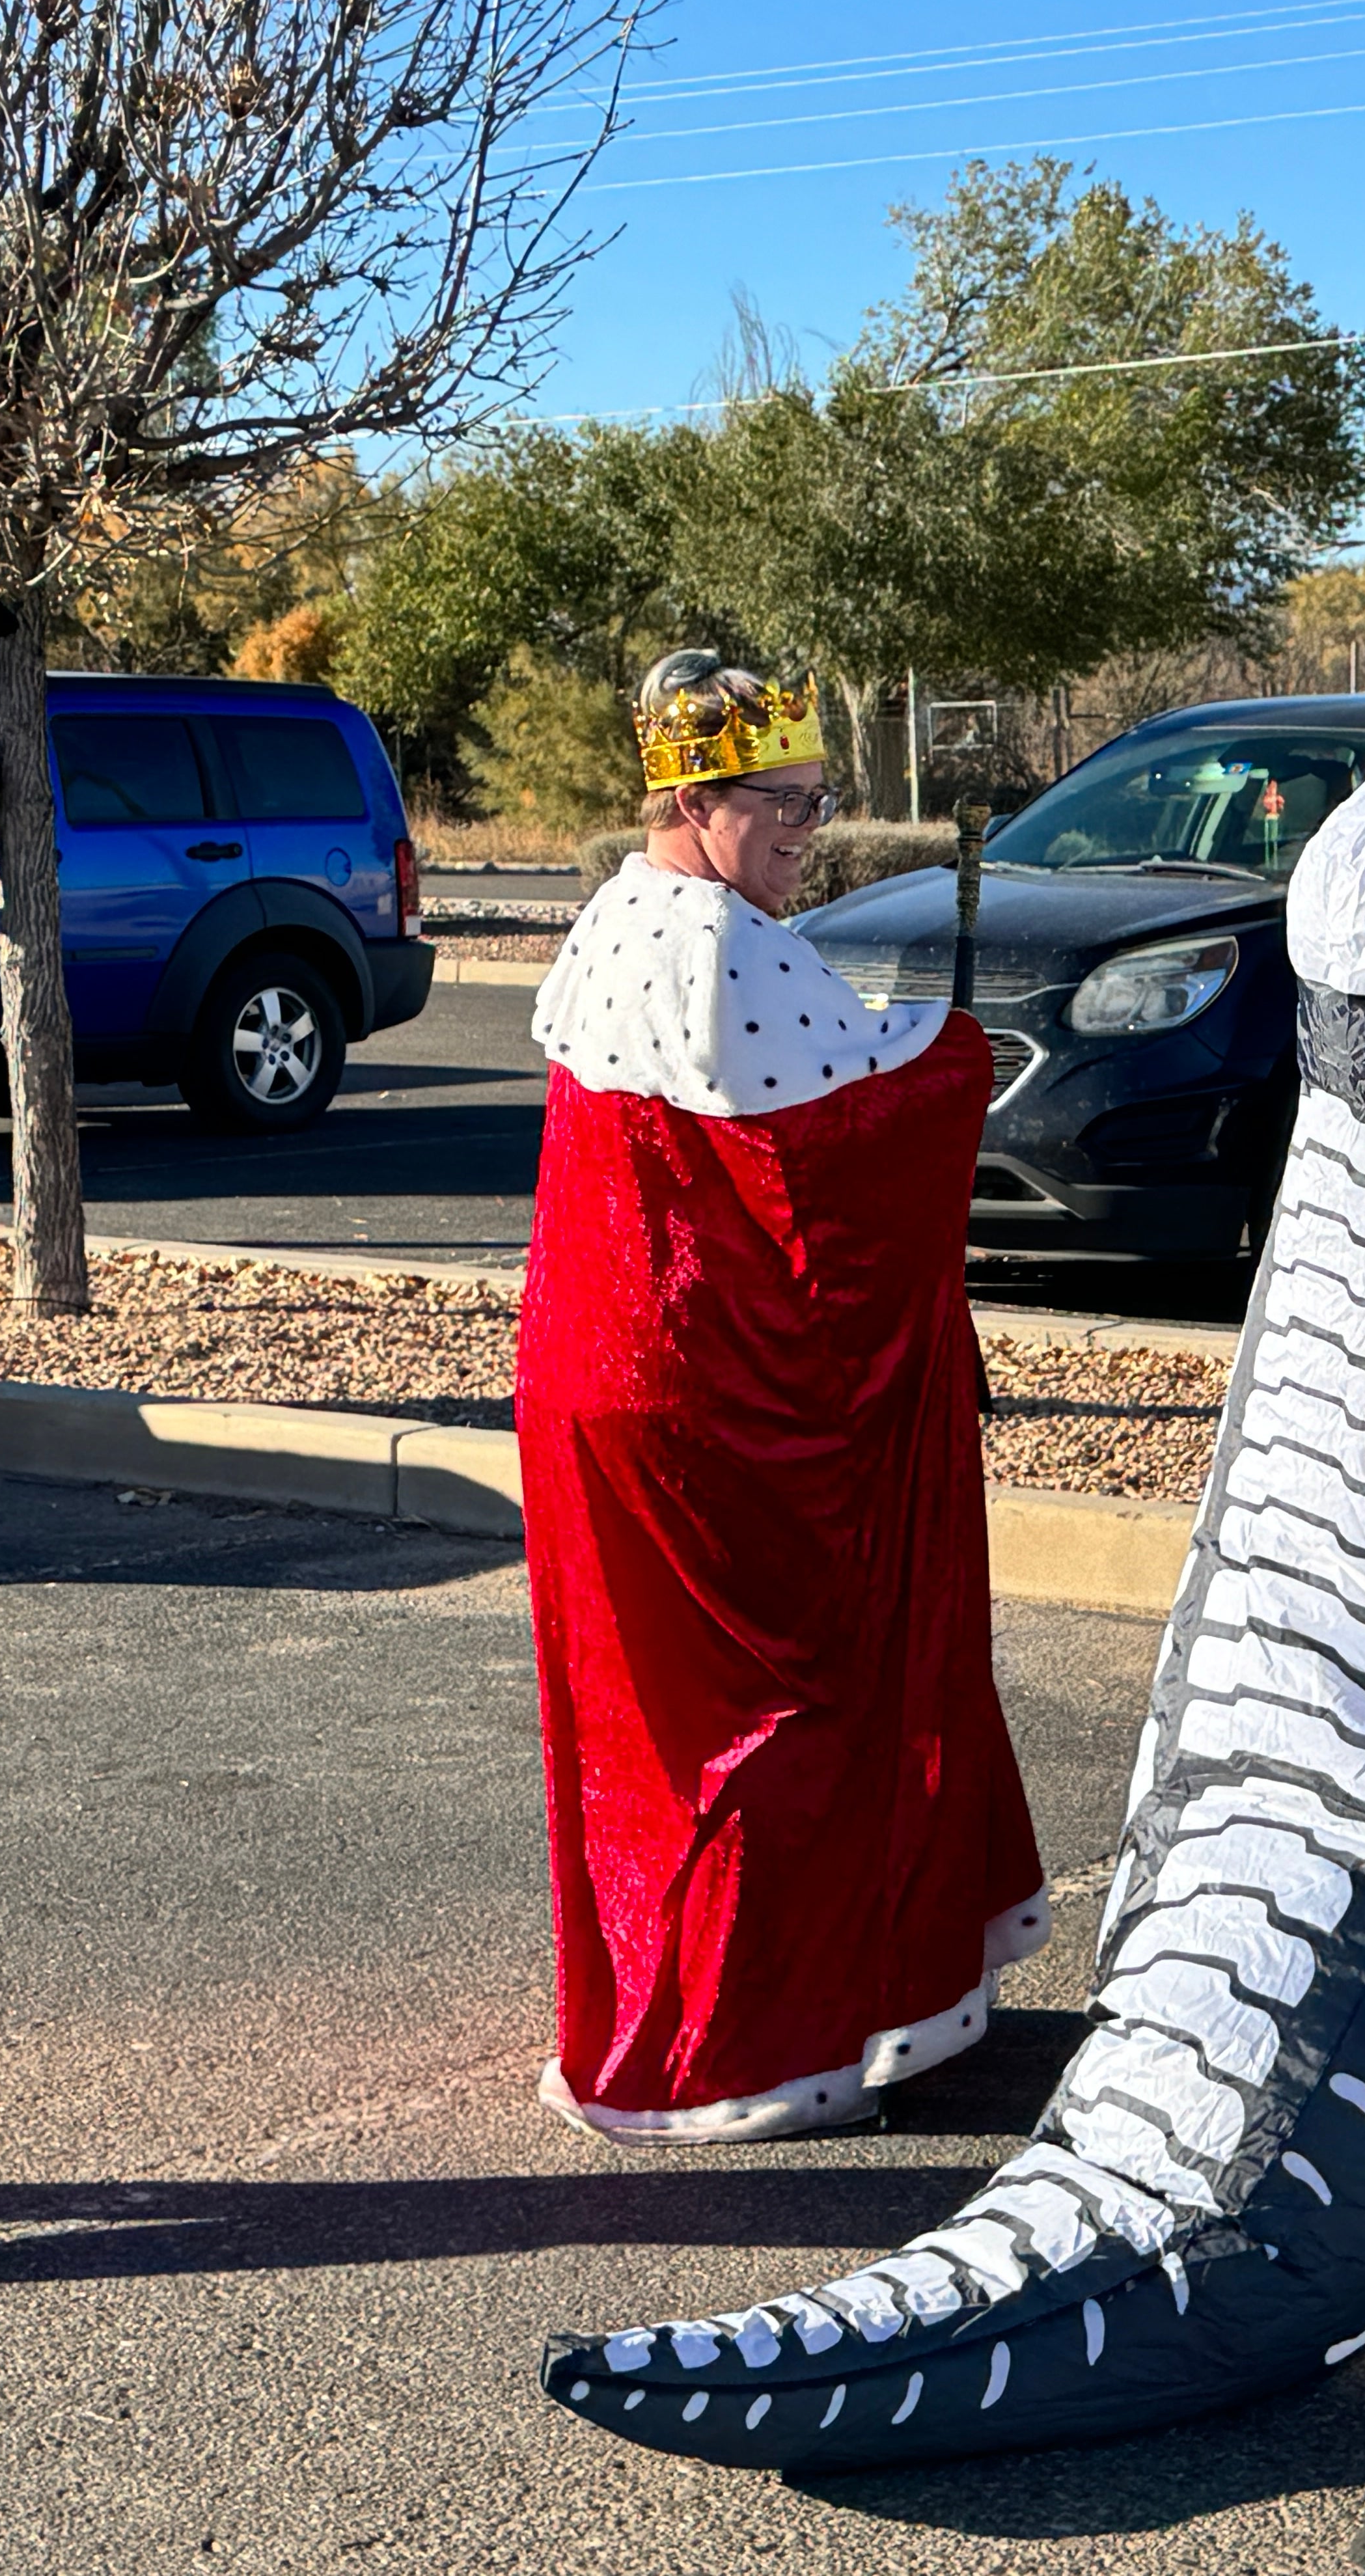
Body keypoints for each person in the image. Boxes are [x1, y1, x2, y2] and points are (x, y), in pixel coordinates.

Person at [514, 650, 1046, 2145]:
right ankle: (745, 2049)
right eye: (788, 805)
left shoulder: (622, 920)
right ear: (692, 794)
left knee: (647, 1722)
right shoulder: (721, 948)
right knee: (770, 1710)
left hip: (590, 1382)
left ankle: (668, 2012)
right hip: (707, 1407)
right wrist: (951, 1070)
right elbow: (830, 1175)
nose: (812, 831)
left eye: (822, 800)